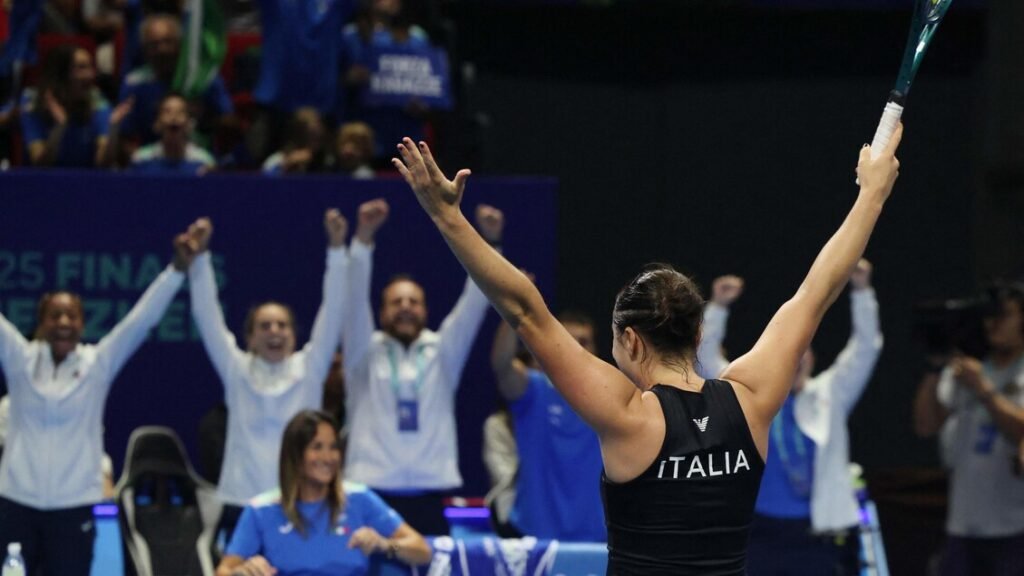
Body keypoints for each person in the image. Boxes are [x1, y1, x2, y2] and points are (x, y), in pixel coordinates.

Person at [392, 129, 902, 573]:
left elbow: (526, 311)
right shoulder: (751, 399)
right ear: (698, 335)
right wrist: (872, 194)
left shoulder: (628, 416)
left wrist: (447, 216)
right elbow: (816, 292)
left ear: (631, 340)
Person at [0, 226, 196, 576]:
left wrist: (177, 270)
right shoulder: (19, 361)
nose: (63, 322)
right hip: (16, 503)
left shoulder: (97, 365)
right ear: (41, 322)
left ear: (82, 323)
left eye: (71, 316)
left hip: (74, 506)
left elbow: (141, 320)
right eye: (54, 315)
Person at [698, 263, 883, 576]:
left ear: (813, 358)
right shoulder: (747, 394)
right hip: (758, 533)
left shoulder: (831, 393)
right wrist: (717, 307)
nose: (795, 357)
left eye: (802, 350)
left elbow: (865, 348)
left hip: (816, 536)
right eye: (787, 351)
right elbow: (705, 360)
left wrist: (862, 292)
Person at [185, 210, 349, 544]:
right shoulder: (236, 369)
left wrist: (336, 249)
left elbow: (334, 310)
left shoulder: (310, 367)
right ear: (250, 337)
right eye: (264, 326)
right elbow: (206, 314)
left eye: (282, 325)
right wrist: (200, 257)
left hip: (296, 502)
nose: (274, 331)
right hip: (240, 503)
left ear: (293, 334)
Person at [341, 198, 500, 535]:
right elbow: (353, 302)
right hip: (371, 494)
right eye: (396, 302)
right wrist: (363, 240)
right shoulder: (362, 354)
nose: (405, 307)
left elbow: (474, 304)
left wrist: (489, 243)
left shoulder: (442, 353)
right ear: (381, 312)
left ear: (426, 311)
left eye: (413, 302)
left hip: (429, 498)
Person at [216, 410, 432, 576]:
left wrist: (384, 545)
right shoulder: (261, 510)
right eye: (317, 447)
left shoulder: (359, 498)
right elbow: (223, 571)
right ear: (295, 455)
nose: (328, 457)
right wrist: (242, 572)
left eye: (333, 447)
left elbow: (422, 550)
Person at [913, 283, 1024, 576]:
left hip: (1014, 527)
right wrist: (934, 367)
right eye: (989, 316)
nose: (993, 323)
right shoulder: (967, 370)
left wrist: (984, 390)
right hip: (962, 526)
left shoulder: (987, 377)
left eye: (1005, 315)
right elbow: (925, 426)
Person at [490, 311, 606, 542]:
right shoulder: (533, 391)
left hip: (597, 540)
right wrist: (511, 310)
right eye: (568, 341)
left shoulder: (612, 397)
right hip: (535, 539)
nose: (576, 349)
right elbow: (502, 364)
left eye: (583, 342)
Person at [117, 13, 233, 146]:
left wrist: (204, 116)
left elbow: (229, 122)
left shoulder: (202, 77)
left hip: (199, 154)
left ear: (180, 44)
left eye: (168, 42)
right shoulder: (133, 83)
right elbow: (125, 136)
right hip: (151, 156)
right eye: (154, 44)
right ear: (144, 49)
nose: (162, 49)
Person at [19, 45, 119, 168]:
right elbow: (40, 165)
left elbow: (103, 164)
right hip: (43, 179)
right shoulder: (33, 100)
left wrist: (113, 130)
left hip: (84, 178)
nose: (90, 75)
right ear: (61, 74)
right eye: (81, 68)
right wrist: (59, 128)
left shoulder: (97, 100)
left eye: (90, 67)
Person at [129, 93, 216, 174]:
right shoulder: (141, 159)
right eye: (167, 111)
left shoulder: (204, 161)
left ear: (189, 124)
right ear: (157, 123)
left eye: (180, 112)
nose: (174, 117)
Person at [262, 107, 331, 175]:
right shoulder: (278, 159)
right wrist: (288, 164)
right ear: (298, 134)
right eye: (311, 135)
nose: (316, 138)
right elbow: (266, 178)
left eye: (319, 136)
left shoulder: (329, 160)